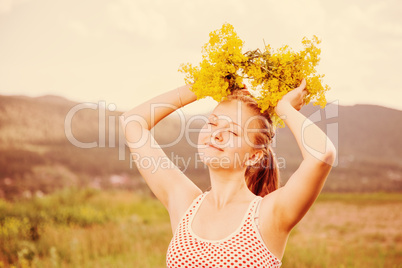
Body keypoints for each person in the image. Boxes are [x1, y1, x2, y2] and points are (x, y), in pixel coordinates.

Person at [120, 79, 336, 267]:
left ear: (254, 156)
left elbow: (322, 155)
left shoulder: (270, 214)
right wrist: (205, 85)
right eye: (212, 123)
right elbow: (132, 122)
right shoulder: (186, 204)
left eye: (232, 131)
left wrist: (284, 108)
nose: (216, 134)